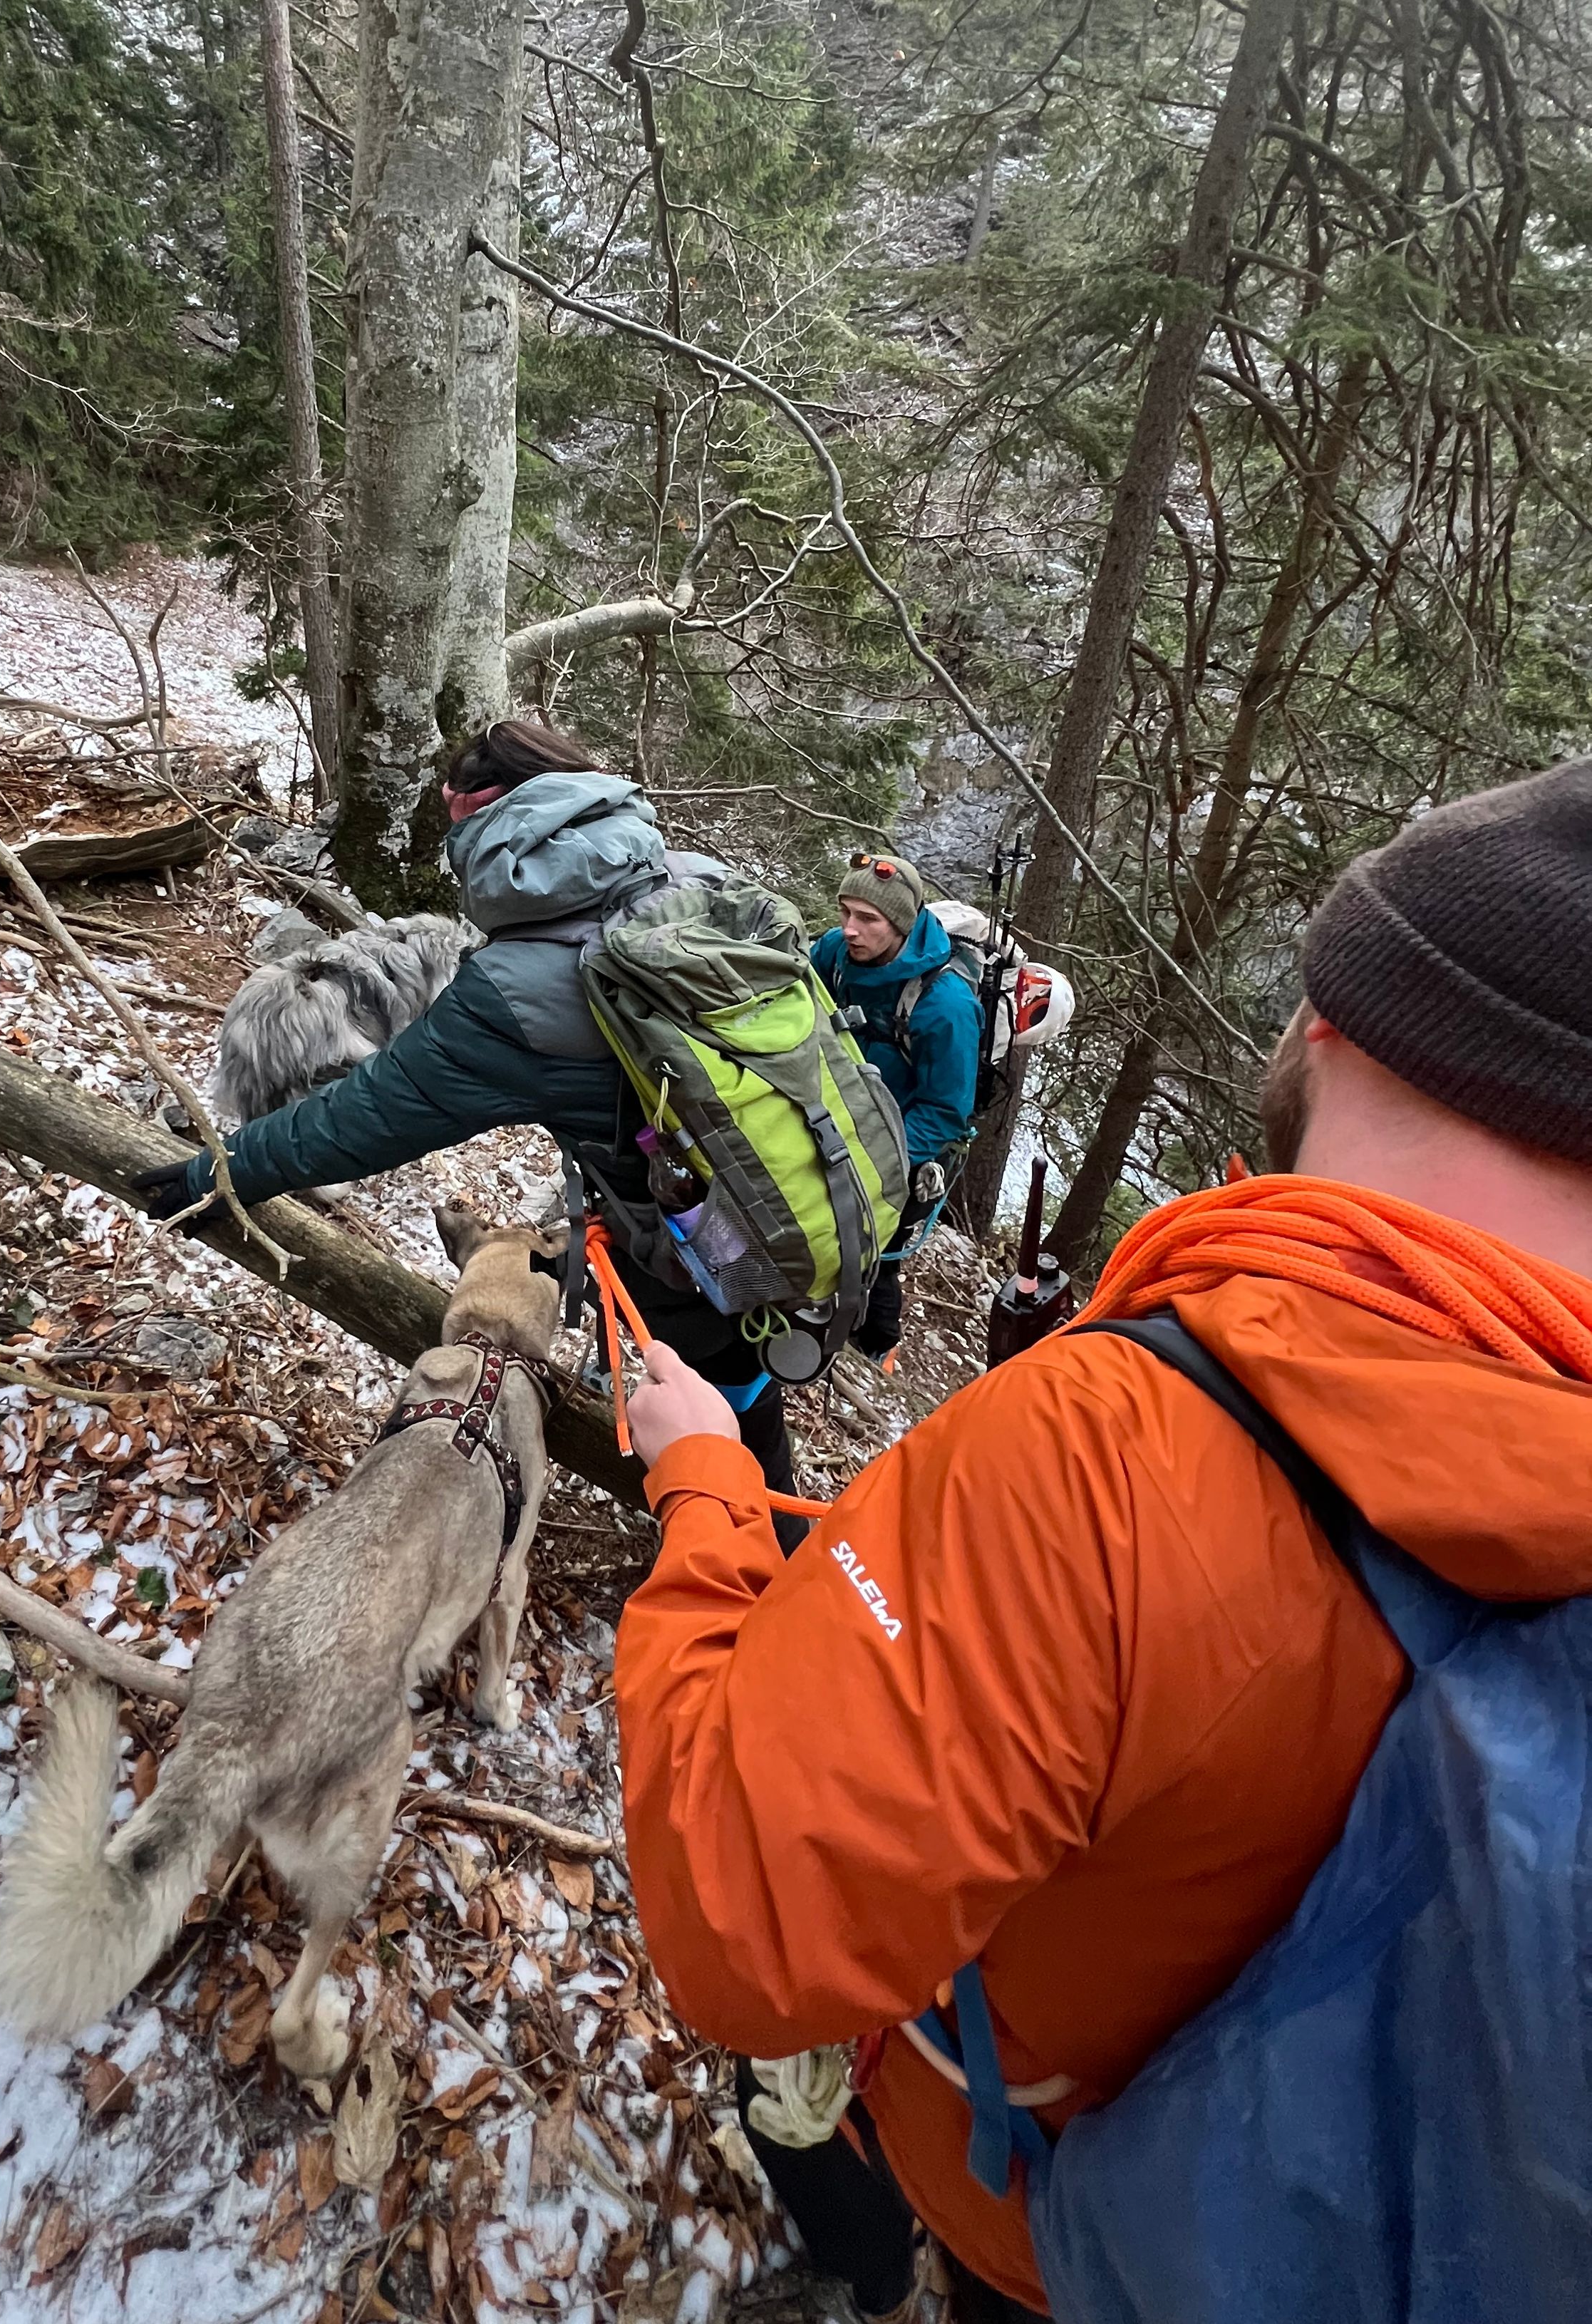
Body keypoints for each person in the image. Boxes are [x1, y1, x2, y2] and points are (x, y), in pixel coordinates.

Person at [611, 757, 1592, 2321]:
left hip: (1050, 2212)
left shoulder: (1109, 1454)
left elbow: (738, 1919)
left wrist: (708, 1489)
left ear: (1343, 1023)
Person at [135, 717, 809, 1502]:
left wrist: (218, 1171)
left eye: (450, 807)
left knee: (720, 1418)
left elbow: (359, 1120)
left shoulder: (519, 988)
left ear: (475, 815)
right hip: (785, 1187)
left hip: (700, 1241)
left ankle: (759, 1574)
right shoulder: (690, 875)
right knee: (735, 1375)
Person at [809, 853, 978, 1363]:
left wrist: (877, 1159)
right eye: (846, 913)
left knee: (877, 1257)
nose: (850, 930)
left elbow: (947, 1111)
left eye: (868, 920)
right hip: (836, 1118)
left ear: (901, 925)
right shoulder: (835, 954)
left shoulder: (945, 1006)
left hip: (904, 1144)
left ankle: (876, 1348)